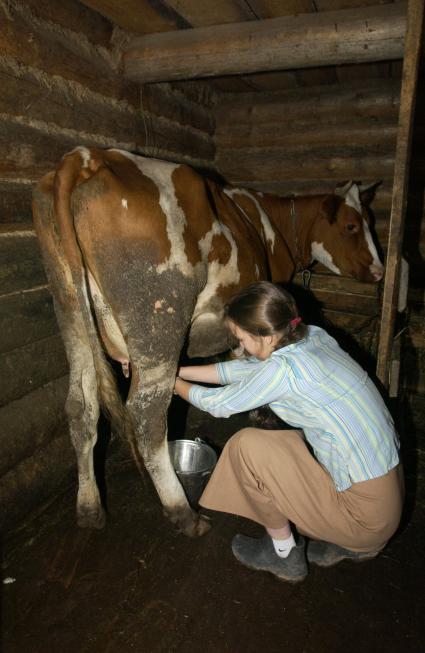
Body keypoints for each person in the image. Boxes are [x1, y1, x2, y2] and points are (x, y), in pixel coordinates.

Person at [173, 281, 404, 583]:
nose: (240, 348)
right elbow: (244, 371)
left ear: (266, 336)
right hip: (386, 501)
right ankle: (355, 545)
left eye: (241, 339)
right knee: (287, 444)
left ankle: (284, 555)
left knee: (248, 447)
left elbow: (218, 404)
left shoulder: (286, 370)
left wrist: (169, 384)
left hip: (365, 516)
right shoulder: (312, 338)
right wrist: (177, 372)